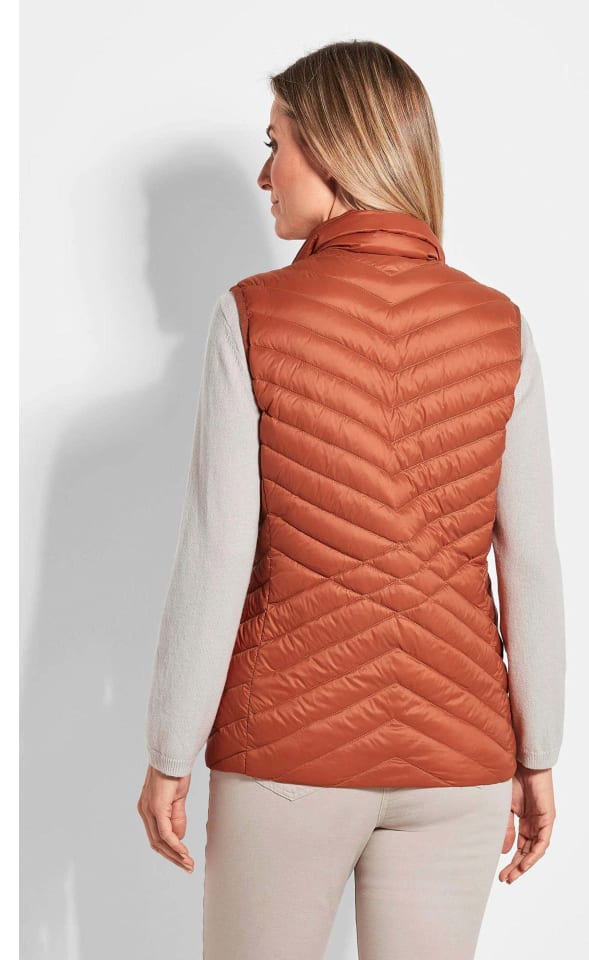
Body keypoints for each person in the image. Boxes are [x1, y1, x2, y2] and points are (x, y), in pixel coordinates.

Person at [137, 40, 566, 960]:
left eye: (275, 144)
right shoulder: (502, 327)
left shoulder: (253, 315)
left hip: (288, 758)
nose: (263, 175)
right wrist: (538, 754)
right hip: (459, 765)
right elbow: (529, 560)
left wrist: (169, 751)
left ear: (333, 148)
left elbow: (218, 554)